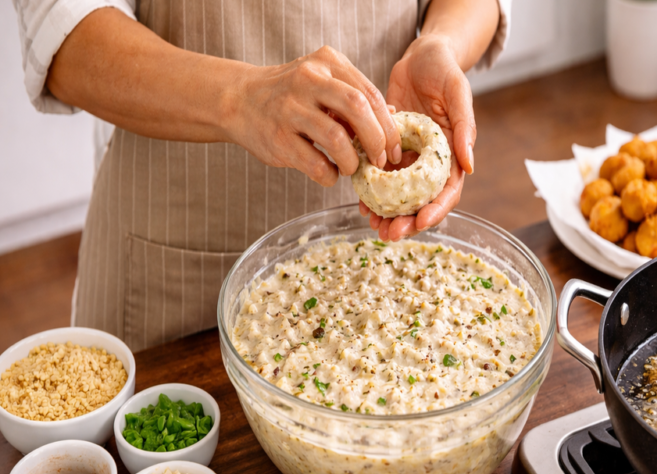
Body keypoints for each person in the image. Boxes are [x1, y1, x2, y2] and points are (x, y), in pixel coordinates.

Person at [13, 0, 510, 350]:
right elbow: (61, 31)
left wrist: (441, 41)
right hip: (176, 270)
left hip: (391, 261)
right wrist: (239, 97)